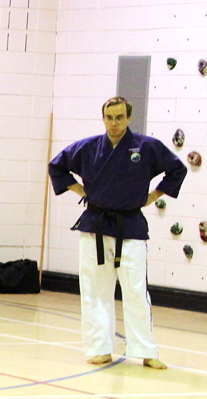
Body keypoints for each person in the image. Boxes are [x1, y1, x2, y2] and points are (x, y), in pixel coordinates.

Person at [49, 96, 186, 369]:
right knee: (95, 290)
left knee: (135, 290)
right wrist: (80, 190)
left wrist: (154, 195)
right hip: (95, 224)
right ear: (103, 119)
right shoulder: (88, 147)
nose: (114, 123)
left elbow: (177, 169)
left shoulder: (146, 147)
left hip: (130, 225)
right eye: (109, 118)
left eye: (119, 117)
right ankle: (99, 347)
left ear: (129, 118)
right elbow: (57, 166)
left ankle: (146, 350)